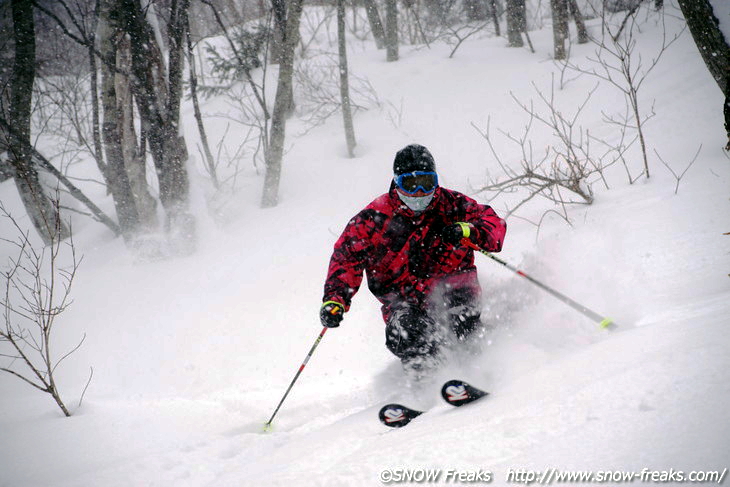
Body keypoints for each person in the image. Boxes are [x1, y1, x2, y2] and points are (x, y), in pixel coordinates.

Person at [319, 144, 507, 378]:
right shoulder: (373, 220)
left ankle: (480, 375)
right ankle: (426, 388)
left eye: (426, 183)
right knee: (408, 332)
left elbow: (494, 227)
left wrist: (467, 231)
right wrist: (335, 300)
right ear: (397, 183)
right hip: (405, 302)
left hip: (455, 291)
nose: (419, 192)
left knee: (463, 327)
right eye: (410, 183)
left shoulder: (451, 205)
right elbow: (346, 258)